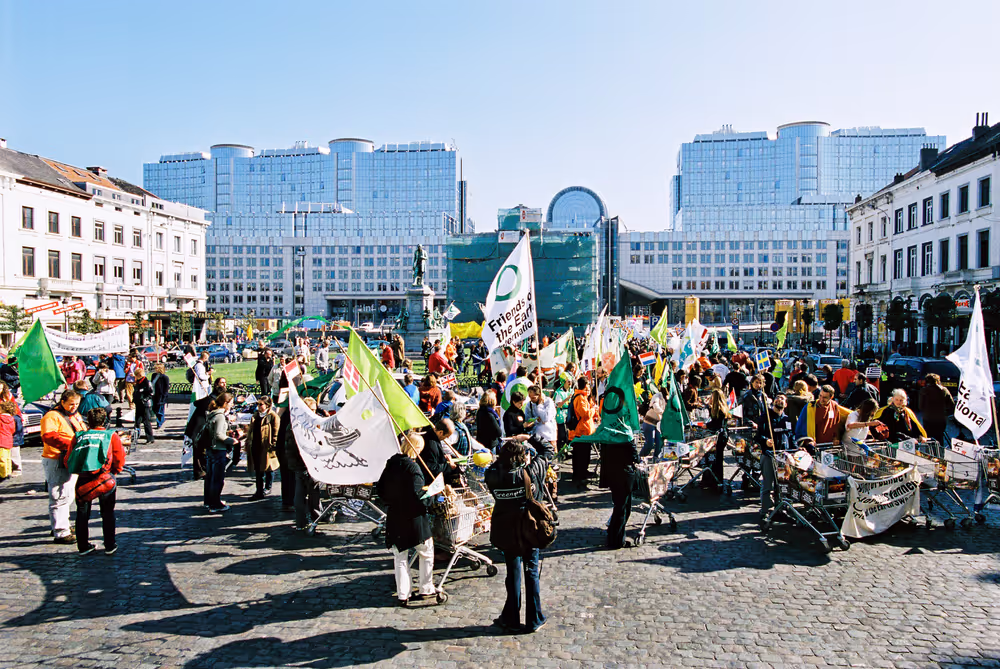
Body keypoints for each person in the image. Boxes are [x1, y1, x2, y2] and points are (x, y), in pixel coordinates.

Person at [485, 440, 548, 633]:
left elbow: (492, 466)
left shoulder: (493, 475)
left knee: (512, 575)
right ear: (523, 457)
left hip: (506, 529)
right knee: (531, 572)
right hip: (528, 528)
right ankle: (534, 618)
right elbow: (547, 451)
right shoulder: (530, 472)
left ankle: (511, 618)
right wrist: (528, 438)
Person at [377, 433, 436, 606]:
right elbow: (419, 495)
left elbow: (380, 490)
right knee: (426, 553)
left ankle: (403, 593)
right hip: (414, 519)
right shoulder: (413, 468)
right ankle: (426, 588)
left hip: (396, 517)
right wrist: (431, 496)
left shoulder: (391, 464)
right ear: (415, 448)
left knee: (400, 557)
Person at [64, 407, 125, 555]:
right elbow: (119, 456)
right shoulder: (111, 435)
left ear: (88, 421)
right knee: (107, 512)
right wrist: (115, 471)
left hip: (84, 479)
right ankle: (110, 545)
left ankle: (83, 546)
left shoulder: (79, 435)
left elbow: (69, 458)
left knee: (82, 514)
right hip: (104, 478)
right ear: (105, 420)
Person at [40, 389, 87, 543]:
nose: (74, 406)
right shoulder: (52, 416)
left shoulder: (74, 414)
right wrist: (72, 443)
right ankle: (61, 531)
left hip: (71, 458)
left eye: (77, 404)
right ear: (62, 402)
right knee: (59, 495)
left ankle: (62, 523)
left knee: (67, 494)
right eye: (71, 404)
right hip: (57, 458)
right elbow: (49, 436)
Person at [757, 393, 794, 522]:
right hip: (769, 455)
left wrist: (795, 448)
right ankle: (765, 511)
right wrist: (766, 440)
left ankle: (780, 509)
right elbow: (758, 436)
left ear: (786, 404)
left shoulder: (787, 419)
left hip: (783, 456)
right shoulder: (765, 417)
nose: (779, 400)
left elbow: (790, 436)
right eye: (778, 398)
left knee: (782, 484)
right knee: (768, 484)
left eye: (782, 399)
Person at [287, 397, 323, 530]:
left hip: (301, 463)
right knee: (308, 492)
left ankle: (304, 520)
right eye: (312, 410)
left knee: (305, 492)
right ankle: (312, 517)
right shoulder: (302, 426)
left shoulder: (295, 423)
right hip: (305, 463)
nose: (315, 412)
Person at [204, 392, 238, 513]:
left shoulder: (214, 414)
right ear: (225, 403)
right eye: (231, 403)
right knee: (217, 479)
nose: (232, 405)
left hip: (211, 449)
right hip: (218, 450)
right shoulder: (220, 416)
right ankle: (215, 504)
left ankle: (209, 501)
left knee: (210, 477)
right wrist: (231, 440)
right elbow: (219, 435)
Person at [246, 396, 279, 499]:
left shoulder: (272, 416)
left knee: (268, 467)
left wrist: (273, 444)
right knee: (258, 469)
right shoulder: (255, 415)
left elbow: (276, 431)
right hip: (255, 445)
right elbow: (251, 430)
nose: (258, 406)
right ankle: (259, 490)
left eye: (261, 404)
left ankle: (267, 487)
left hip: (266, 446)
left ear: (267, 405)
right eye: (257, 404)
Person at [568, 378, 597, 488]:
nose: (589, 389)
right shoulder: (580, 398)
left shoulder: (583, 397)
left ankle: (582, 473)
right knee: (581, 456)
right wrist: (593, 409)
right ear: (584, 386)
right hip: (580, 432)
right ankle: (579, 477)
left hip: (584, 431)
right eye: (588, 386)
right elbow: (585, 414)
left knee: (583, 455)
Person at [918, 373, 955, 444]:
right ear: (938, 381)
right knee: (939, 437)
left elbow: (920, 406)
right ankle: (940, 453)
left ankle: (930, 453)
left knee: (929, 437)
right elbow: (951, 404)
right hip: (940, 418)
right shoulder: (944, 390)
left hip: (928, 418)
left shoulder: (924, 391)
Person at [526, 385, 557, 461]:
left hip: (549, 435)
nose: (532, 400)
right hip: (537, 436)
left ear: (539, 395)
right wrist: (535, 420)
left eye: (534, 398)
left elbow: (545, 418)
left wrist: (540, 405)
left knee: (550, 459)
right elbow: (527, 419)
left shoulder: (548, 402)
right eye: (530, 397)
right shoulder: (529, 405)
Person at [639, 384, 665, 458]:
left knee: (659, 443)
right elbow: (656, 406)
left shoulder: (669, 399)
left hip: (658, 424)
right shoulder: (657, 396)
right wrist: (663, 411)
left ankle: (656, 459)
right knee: (650, 443)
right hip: (649, 422)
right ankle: (640, 458)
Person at [132, 367, 155, 444]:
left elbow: (151, 393)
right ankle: (135, 436)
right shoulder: (138, 382)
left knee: (146, 422)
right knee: (137, 422)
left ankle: (150, 438)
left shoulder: (146, 382)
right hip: (138, 404)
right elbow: (136, 392)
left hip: (145, 405)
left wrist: (144, 399)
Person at [150, 363, 170, 430]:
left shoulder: (165, 377)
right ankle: (161, 419)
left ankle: (159, 423)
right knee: (154, 409)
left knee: (160, 410)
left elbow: (165, 389)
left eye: (156, 368)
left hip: (161, 396)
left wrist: (163, 397)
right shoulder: (154, 375)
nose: (155, 370)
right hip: (154, 395)